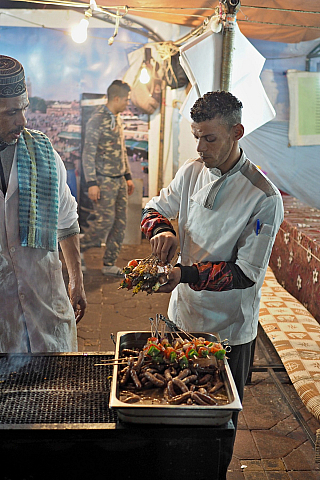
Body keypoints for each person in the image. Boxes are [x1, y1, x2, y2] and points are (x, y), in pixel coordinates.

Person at [141, 91, 284, 475]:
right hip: (181, 317)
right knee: (171, 411)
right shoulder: (191, 171)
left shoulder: (263, 197)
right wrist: (163, 229)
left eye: (210, 138)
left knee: (214, 427)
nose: (201, 147)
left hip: (227, 331)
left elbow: (243, 273)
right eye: (196, 136)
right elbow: (153, 207)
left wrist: (182, 274)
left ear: (236, 132)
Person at [0, 55, 87, 353]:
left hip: (47, 311)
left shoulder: (44, 153)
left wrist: (76, 280)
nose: (22, 121)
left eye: (23, 109)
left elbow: (66, 221)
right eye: (11, 112)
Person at [81, 80, 134, 276]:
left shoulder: (117, 118)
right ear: (117, 98)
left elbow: (121, 150)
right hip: (103, 180)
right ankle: (77, 248)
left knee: (120, 223)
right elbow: (88, 153)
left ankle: (109, 263)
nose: (127, 103)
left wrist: (127, 176)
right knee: (104, 222)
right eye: (126, 100)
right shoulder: (97, 119)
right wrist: (92, 183)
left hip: (119, 180)